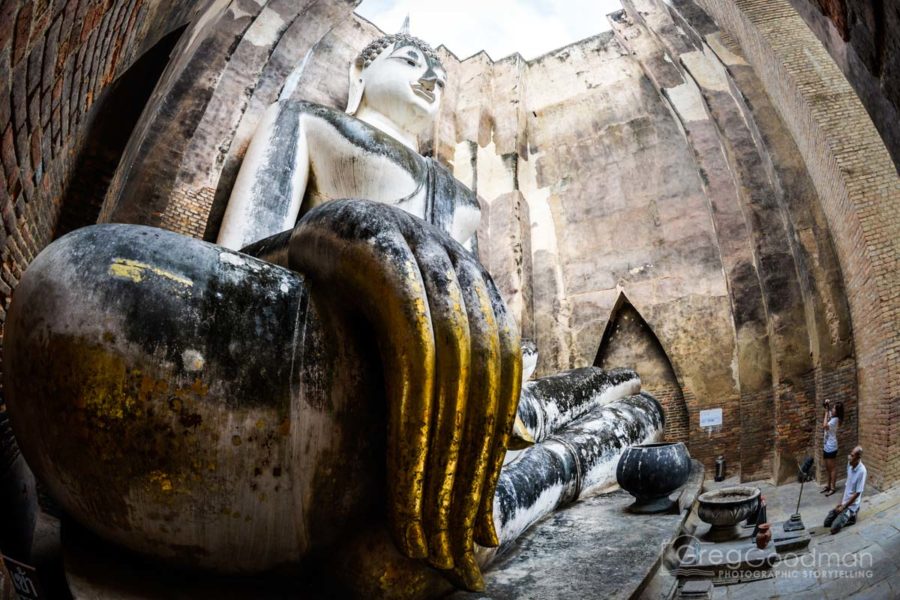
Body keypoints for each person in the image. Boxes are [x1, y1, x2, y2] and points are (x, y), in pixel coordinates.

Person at [3, 29, 663, 598]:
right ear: (361, 71)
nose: (431, 74)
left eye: (436, 67)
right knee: (80, 282)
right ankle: (463, 518)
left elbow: (466, 306)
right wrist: (340, 234)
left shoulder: (461, 200)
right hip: (316, 361)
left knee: (625, 399)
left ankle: (463, 512)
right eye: (409, 59)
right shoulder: (314, 124)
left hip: (453, 394)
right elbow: (240, 262)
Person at [824, 446, 866, 534]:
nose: (850, 457)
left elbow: (857, 493)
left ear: (858, 457)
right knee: (826, 523)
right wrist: (840, 502)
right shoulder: (850, 465)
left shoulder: (862, 471)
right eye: (850, 454)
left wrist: (844, 506)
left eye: (852, 456)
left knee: (833, 529)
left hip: (851, 506)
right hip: (845, 502)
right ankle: (843, 515)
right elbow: (847, 485)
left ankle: (852, 516)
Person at [820, 400, 844, 496]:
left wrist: (826, 413)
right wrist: (826, 404)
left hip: (831, 447)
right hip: (826, 446)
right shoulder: (832, 416)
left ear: (837, 412)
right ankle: (828, 485)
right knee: (827, 468)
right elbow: (825, 407)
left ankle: (833, 487)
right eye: (833, 408)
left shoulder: (835, 420)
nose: (832, 409)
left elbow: (824, 425)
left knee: (832, 468)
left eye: (834, 408)